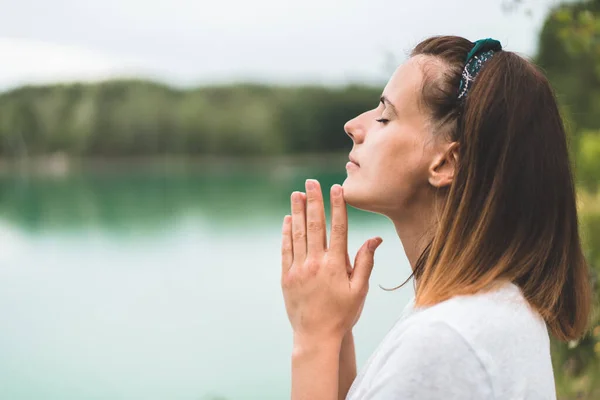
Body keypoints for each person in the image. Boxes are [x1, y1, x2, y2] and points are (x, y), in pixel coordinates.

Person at [279, 36, 592, 400]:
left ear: (445, 163)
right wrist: (335, 331)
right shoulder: (485, 309)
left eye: (385, 116)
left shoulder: (444, 341)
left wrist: (312, 339)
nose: (353, 125)